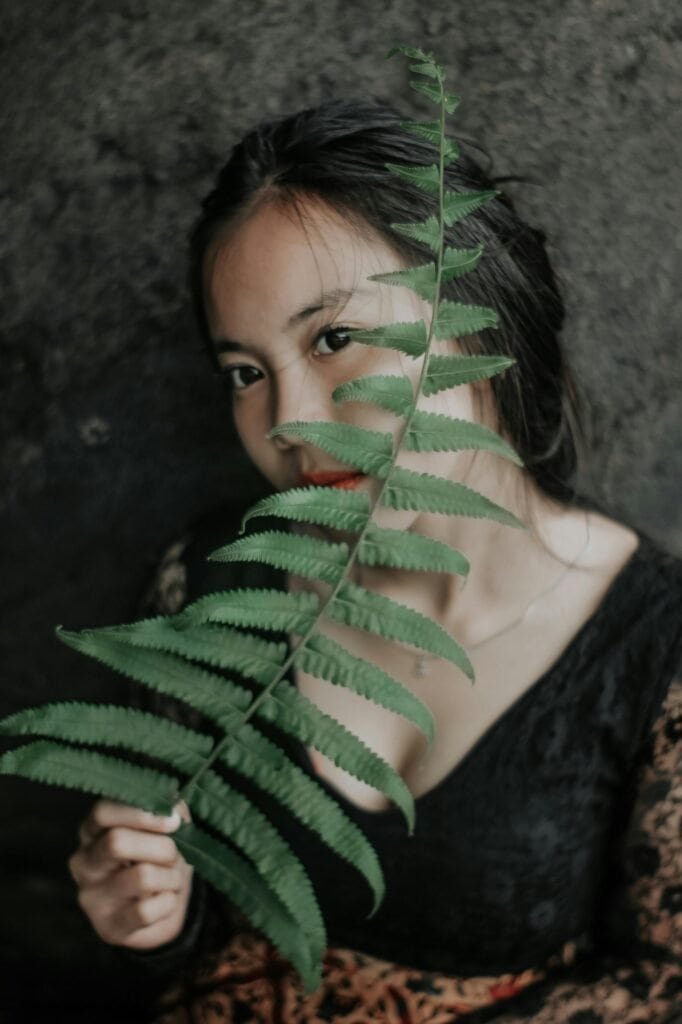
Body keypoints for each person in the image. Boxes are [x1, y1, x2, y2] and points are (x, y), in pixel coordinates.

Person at [68, 100, 681, 1023]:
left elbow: (663, 981)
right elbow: (179, 944)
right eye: (244, 370)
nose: (284, 419)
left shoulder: (657, 650)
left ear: (480, 321)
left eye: (332, 338)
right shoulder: (214, 582)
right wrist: (150, 920)